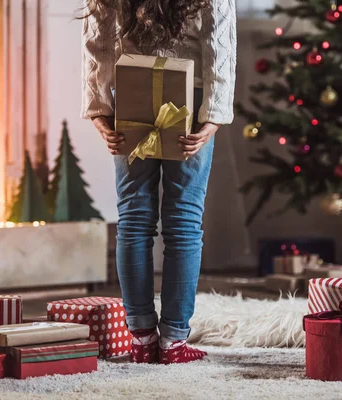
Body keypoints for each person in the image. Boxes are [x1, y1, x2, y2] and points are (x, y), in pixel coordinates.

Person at [80, 0, 236, 364]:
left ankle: (142, 338)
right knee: (184, 222)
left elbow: (97, 46)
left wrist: (100, 112)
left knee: (134, 218)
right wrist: (212, 118)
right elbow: (219, 45)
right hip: (192, 99)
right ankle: (173, 343)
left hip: (130, 95)